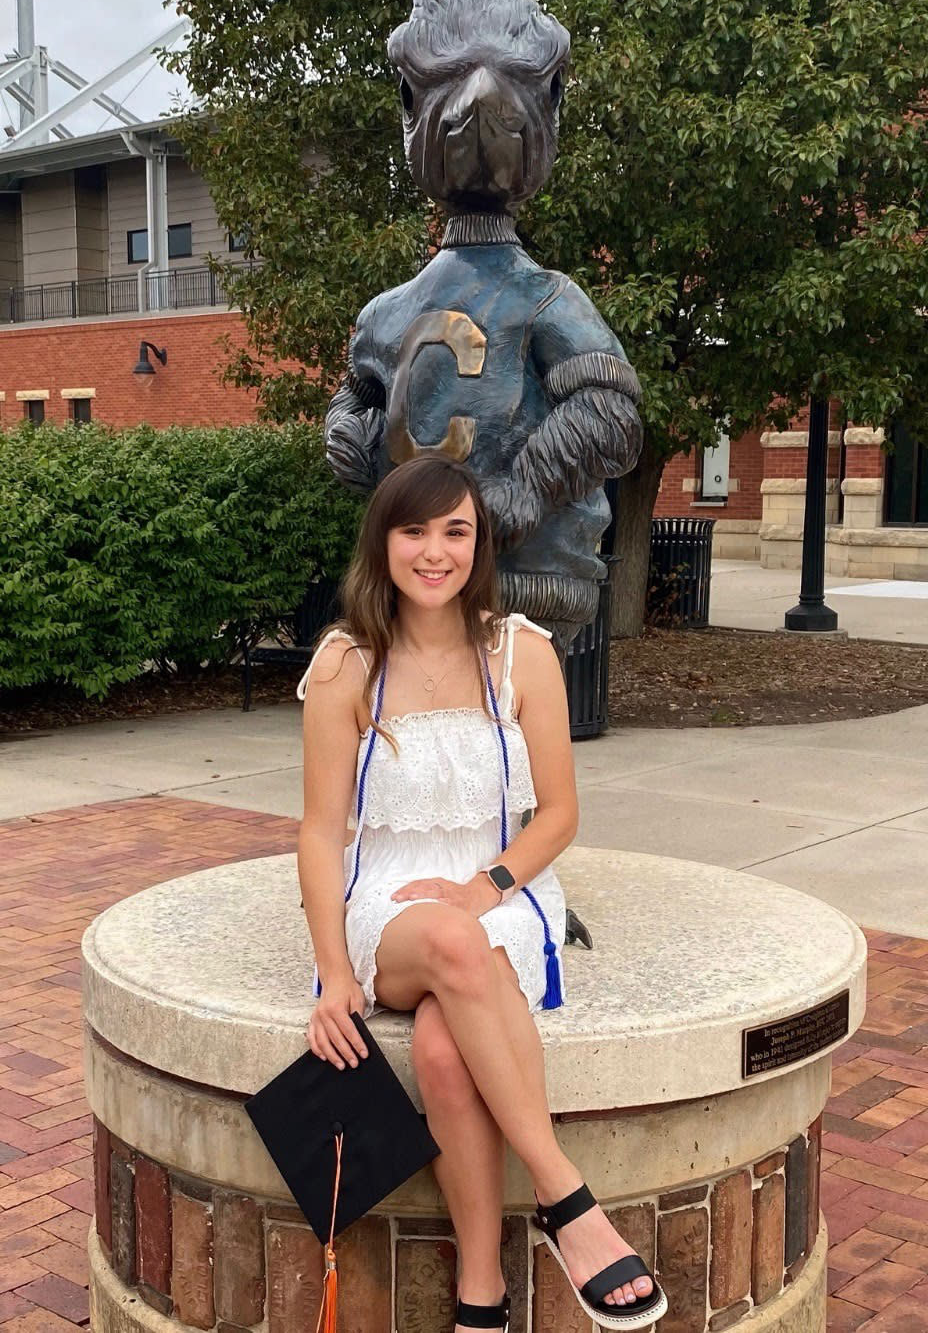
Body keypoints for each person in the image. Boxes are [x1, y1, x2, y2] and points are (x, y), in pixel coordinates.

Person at [297, 454, 664, 1332]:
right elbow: (319, 830)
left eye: (454, 531)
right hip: (386, 904)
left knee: (440, 1050)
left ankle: (481, 1295)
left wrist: (481, 886)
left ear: (479, 543)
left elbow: (560, 813)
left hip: (501, 890)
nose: (435, 551)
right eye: (414, 530)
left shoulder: (519, 654)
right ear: (382, 542)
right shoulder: (346, 664)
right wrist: (332, 976)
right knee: (454, 947)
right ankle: (566, 1199)